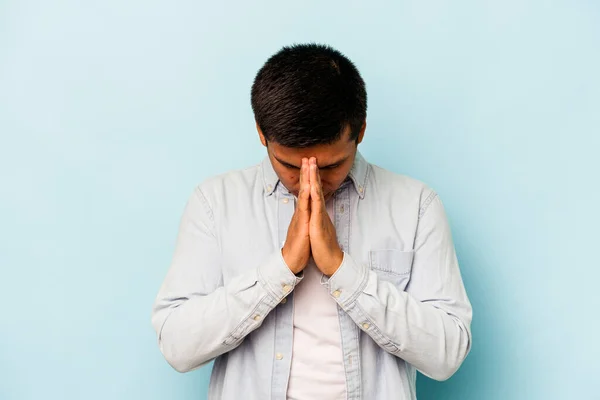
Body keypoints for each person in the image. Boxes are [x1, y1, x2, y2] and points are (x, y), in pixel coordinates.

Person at [151, 43, 472, 400]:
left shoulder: (415, 205)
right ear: (261, 134)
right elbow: (177, 346)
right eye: (289, 165)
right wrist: (281, 268)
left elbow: (448, 354)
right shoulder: (215, 202)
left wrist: (341, 268)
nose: (311, 181)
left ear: (361, 130)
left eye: (332, 165)